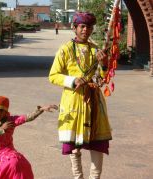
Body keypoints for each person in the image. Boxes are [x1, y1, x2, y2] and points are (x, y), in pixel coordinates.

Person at [49, 12, 112, 179]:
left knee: (97, 144)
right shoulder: (65, 49)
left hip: (94, 102)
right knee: (74, 145)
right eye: (82, 26)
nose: (86, 30)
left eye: (89, 26)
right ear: (74, 28)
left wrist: (104, 64)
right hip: (73, 101)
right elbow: (53, 75)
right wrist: (73, 80)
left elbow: (102, 79)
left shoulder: (96, 50)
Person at [0, 96, 58, 179]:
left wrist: (41, 110)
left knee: (21, 164)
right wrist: (1, 129)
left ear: (5, 111)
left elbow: (27, 118)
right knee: (13, 164)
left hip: (10, 151)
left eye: (1, 110)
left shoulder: (10, 121)